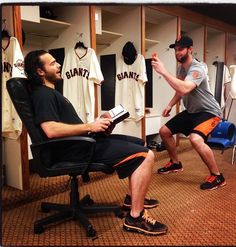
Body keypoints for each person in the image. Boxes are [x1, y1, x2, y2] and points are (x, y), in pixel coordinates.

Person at [24, 50, 168, 236]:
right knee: (145, 156)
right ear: (40, 71)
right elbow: (51, 130)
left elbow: (66, 125)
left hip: (82, 142)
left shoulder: (50, 92)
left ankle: (132, 199)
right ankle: (135, 217)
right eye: (52, 63)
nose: (59, 65)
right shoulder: (43, 95)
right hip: (75, 150)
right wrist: (89, 126)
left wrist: (99, 124)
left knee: (140, 144)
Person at [151, 36, 226, 191]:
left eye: (181, 49)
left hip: (209, 112)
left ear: (190, 49)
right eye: (176, 49)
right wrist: (170, 105)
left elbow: (185, 88)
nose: (177, 53)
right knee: (164, 131)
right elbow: (180, 90)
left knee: (195, 139)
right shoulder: (181, 69)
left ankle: (217, 176)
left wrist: (163, 72)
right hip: (192, 112)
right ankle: (175, 163)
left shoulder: (198, 68)